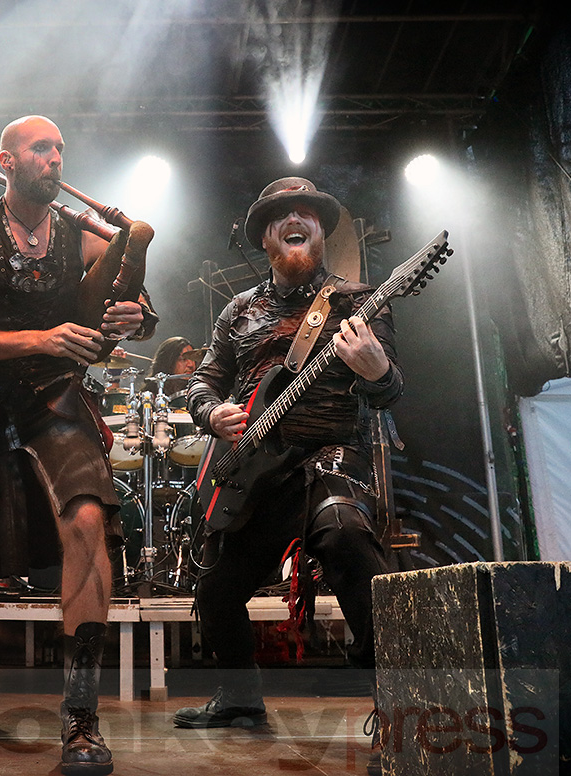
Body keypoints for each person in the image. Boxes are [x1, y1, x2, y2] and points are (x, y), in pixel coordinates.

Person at [0, 115, 154, 776]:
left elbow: (138, 309)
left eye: (60, 148)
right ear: (7, 161)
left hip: (57, 402)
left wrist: (136, 316)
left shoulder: (83, 234)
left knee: (89, 521)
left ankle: (81, 718)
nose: (55, 157)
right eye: (41, 148)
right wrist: (41, 338)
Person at [172, 177, 403, 732]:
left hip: (329, 457)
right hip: (254, 472)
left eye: (308, 213)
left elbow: (390, 391)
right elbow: (203, 382)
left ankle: (399, 707)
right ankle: (239, 697)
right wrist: (211, 413)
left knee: (346, 537)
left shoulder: (358, 301)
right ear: (265, 238)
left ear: (321, 232)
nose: (296, 220)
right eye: (281, 215)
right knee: (216, 586)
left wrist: (378, 371)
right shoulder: (238, 310)